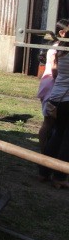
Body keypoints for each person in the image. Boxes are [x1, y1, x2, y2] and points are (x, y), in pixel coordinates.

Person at [40, 19, 69, 188]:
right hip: (66, 100)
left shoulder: (60, 50)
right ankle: (59, 176)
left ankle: (44, 172)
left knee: (56, 134)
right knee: (66, 138)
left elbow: (57, 73)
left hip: (56, 97)